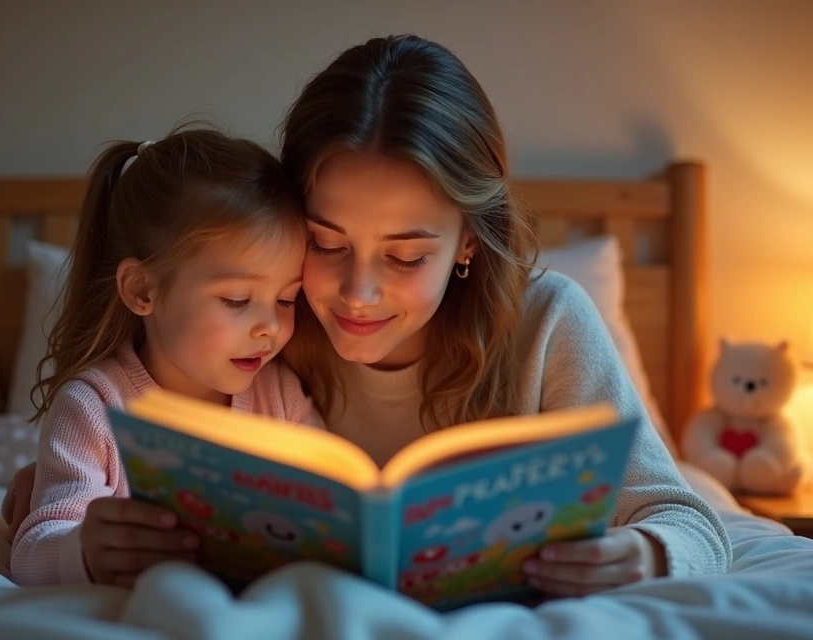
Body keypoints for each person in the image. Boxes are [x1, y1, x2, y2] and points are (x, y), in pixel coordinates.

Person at [277, 34, 730, 597]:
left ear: (468, 240)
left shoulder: (547, 322)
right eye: (325, 244)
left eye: (406, 256)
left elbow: (687, 521)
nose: (358, 292)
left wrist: (642, 553)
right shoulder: (265, 322)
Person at [10, 127, 321, 588]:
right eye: (237, 300)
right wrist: (84, 551)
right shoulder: (96, 407)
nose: (270, 327)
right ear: (142, 290)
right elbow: (34, 548)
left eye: (287, 299)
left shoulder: (280, 397)